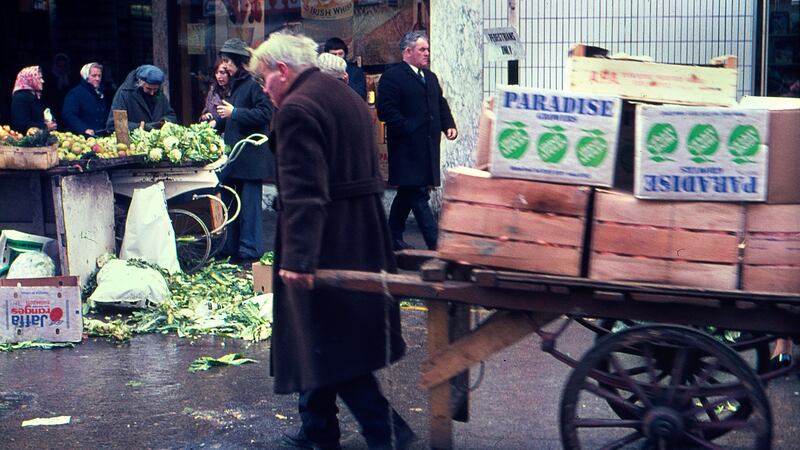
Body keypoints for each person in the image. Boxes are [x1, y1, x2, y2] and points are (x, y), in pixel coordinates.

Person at [250, 31, 415, 450]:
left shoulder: (296, 109)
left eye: (263, 80)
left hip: (326, 238)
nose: (264, 90)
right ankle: (317, 428)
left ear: (281, 71)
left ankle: (388, 432)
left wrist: (299, 259)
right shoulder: (344, 96)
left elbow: (305, 191)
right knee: (322, 334)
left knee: (330, 342)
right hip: (360, 230)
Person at [376, 31, 458, 251]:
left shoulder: (430, 77)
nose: (427, 54)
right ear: (407, 52)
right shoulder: (393, 76)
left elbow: (440, 104)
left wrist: (448, 124)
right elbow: (386, 110)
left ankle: (390, 238)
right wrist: (406, 127)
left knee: (407, 193)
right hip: (406, 148)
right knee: (418, 194)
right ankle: (436, 245)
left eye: (428, 49)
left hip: (427, 147)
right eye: (422, 49)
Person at [215, 38, 274, 262]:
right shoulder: (237, 84)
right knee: (232, 204)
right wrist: (216, 122)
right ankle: (231, 247)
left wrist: (235, 113)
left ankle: (249, 251)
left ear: (239, 62)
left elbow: (265, 114)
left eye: (228, 62)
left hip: (251, 156)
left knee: (249, 208)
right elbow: (231, 116)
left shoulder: (254, 83)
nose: (226, 66)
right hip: (237, 156)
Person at [105, 64, 177, 131]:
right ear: (140, 83)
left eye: (155, 89)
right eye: (148, 89)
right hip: (134, 142)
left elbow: (171, 116)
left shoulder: (159, 93)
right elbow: (114, 124)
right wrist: (141, 127)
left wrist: (164, 122)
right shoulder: (125, 93)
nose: (152, 93)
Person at [61, 62, 109, 136]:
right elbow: (68, 115)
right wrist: (84, 129)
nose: (98, 78)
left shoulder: (100, 93)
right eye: (94, 76)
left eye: (99, 76)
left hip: (99, 137)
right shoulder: (75, 93)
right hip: (81, 139)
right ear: (86, 76)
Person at [10, 66, 57, 133]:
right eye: (39, 78)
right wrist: (45, 126)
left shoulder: (35, 95)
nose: (42, 81)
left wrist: (49, 120)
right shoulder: (20, 98)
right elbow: (21, 125)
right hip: (26, 141)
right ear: (30, 79)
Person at [199, 59, 231, 127]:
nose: (218, 76)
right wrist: (205, 116)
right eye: (216, 73)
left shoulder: (235, 91)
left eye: (222, 72)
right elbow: (206, 111)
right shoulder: (213, 92)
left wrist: (217, 122)